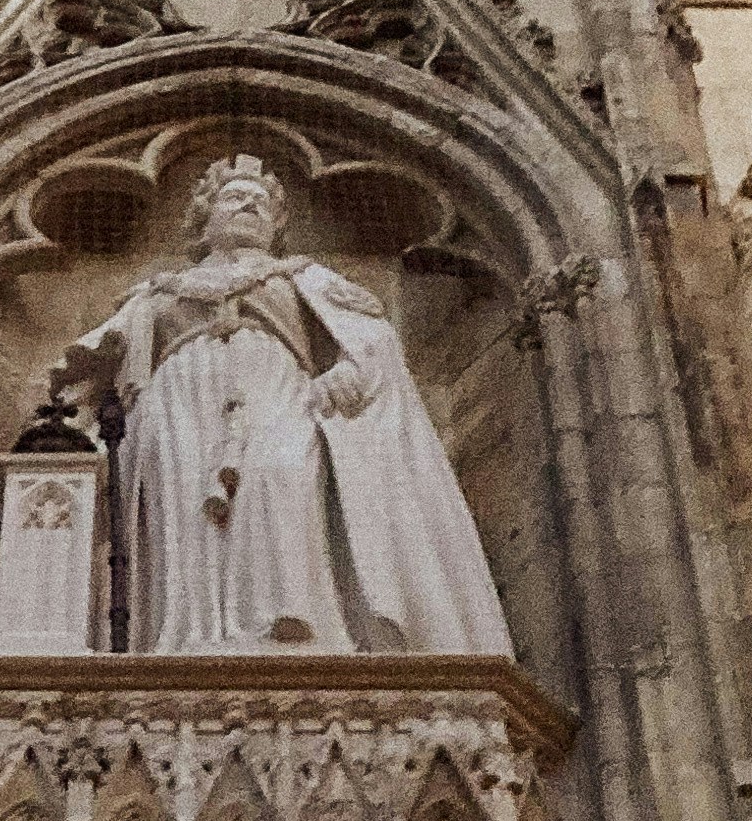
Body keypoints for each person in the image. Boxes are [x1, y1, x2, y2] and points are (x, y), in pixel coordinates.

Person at [42, 153, 511, 658]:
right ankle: (186, 636)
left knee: (280, 473)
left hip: (279, 394)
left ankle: (289, 626)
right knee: (179, 503)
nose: (249, 205)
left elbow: (372, 337)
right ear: (205, 219)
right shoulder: (159, 291)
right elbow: (99, 356)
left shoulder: (304, 278)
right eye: (233, 198)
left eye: (261, 202)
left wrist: (348, 374)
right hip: (177, 405)